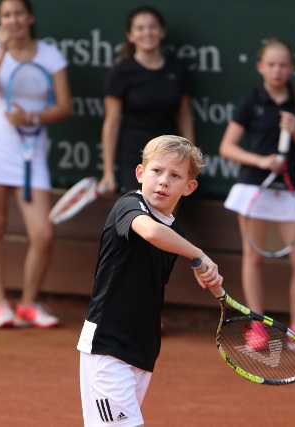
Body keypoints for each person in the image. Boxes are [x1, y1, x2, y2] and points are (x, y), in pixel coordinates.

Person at [77, 135, 223, 427]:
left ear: (188, 187)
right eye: (156, 171)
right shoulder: (129, 206)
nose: (164, 181)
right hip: (108, 346)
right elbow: (151, 232)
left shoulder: (175, 231)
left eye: (175, 175)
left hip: (141, 352)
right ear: (140, 173)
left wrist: (205, 270)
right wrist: (196, 253)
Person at [0, 0, 72, 329]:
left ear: (30, 18)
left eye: (18, 14)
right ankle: (0, 306)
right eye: (6, 15)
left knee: (43, 233)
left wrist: (31, 116)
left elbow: (65, 106)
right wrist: (1, 50)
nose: (13, 20)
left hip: (31, 153)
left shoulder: (50, 55)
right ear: (0, 21)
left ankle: (28, 304)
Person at [219, 37, 295, 353]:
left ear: (291, 68)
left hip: (287, 191)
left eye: (283, 65)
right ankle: (257, 326)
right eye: (271, 64)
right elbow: (227, 147)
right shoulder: (249, 102)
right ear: (260, 67)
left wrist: (293, 130)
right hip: (254, 188)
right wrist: (262, 161)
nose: (277, 70)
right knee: (254, 257)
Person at [98, 5, 194, 195]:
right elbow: (111, 123)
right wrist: (108, 172)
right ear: (131, 36)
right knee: (140, 217)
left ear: (162, 32)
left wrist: (190, 162)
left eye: (152, 27)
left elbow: (184, 116)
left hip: (171, 153)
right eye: (140, 28)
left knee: (165, 219)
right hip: (134, 153)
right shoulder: (121, 72)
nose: (147, 33)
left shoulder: (177, 69)